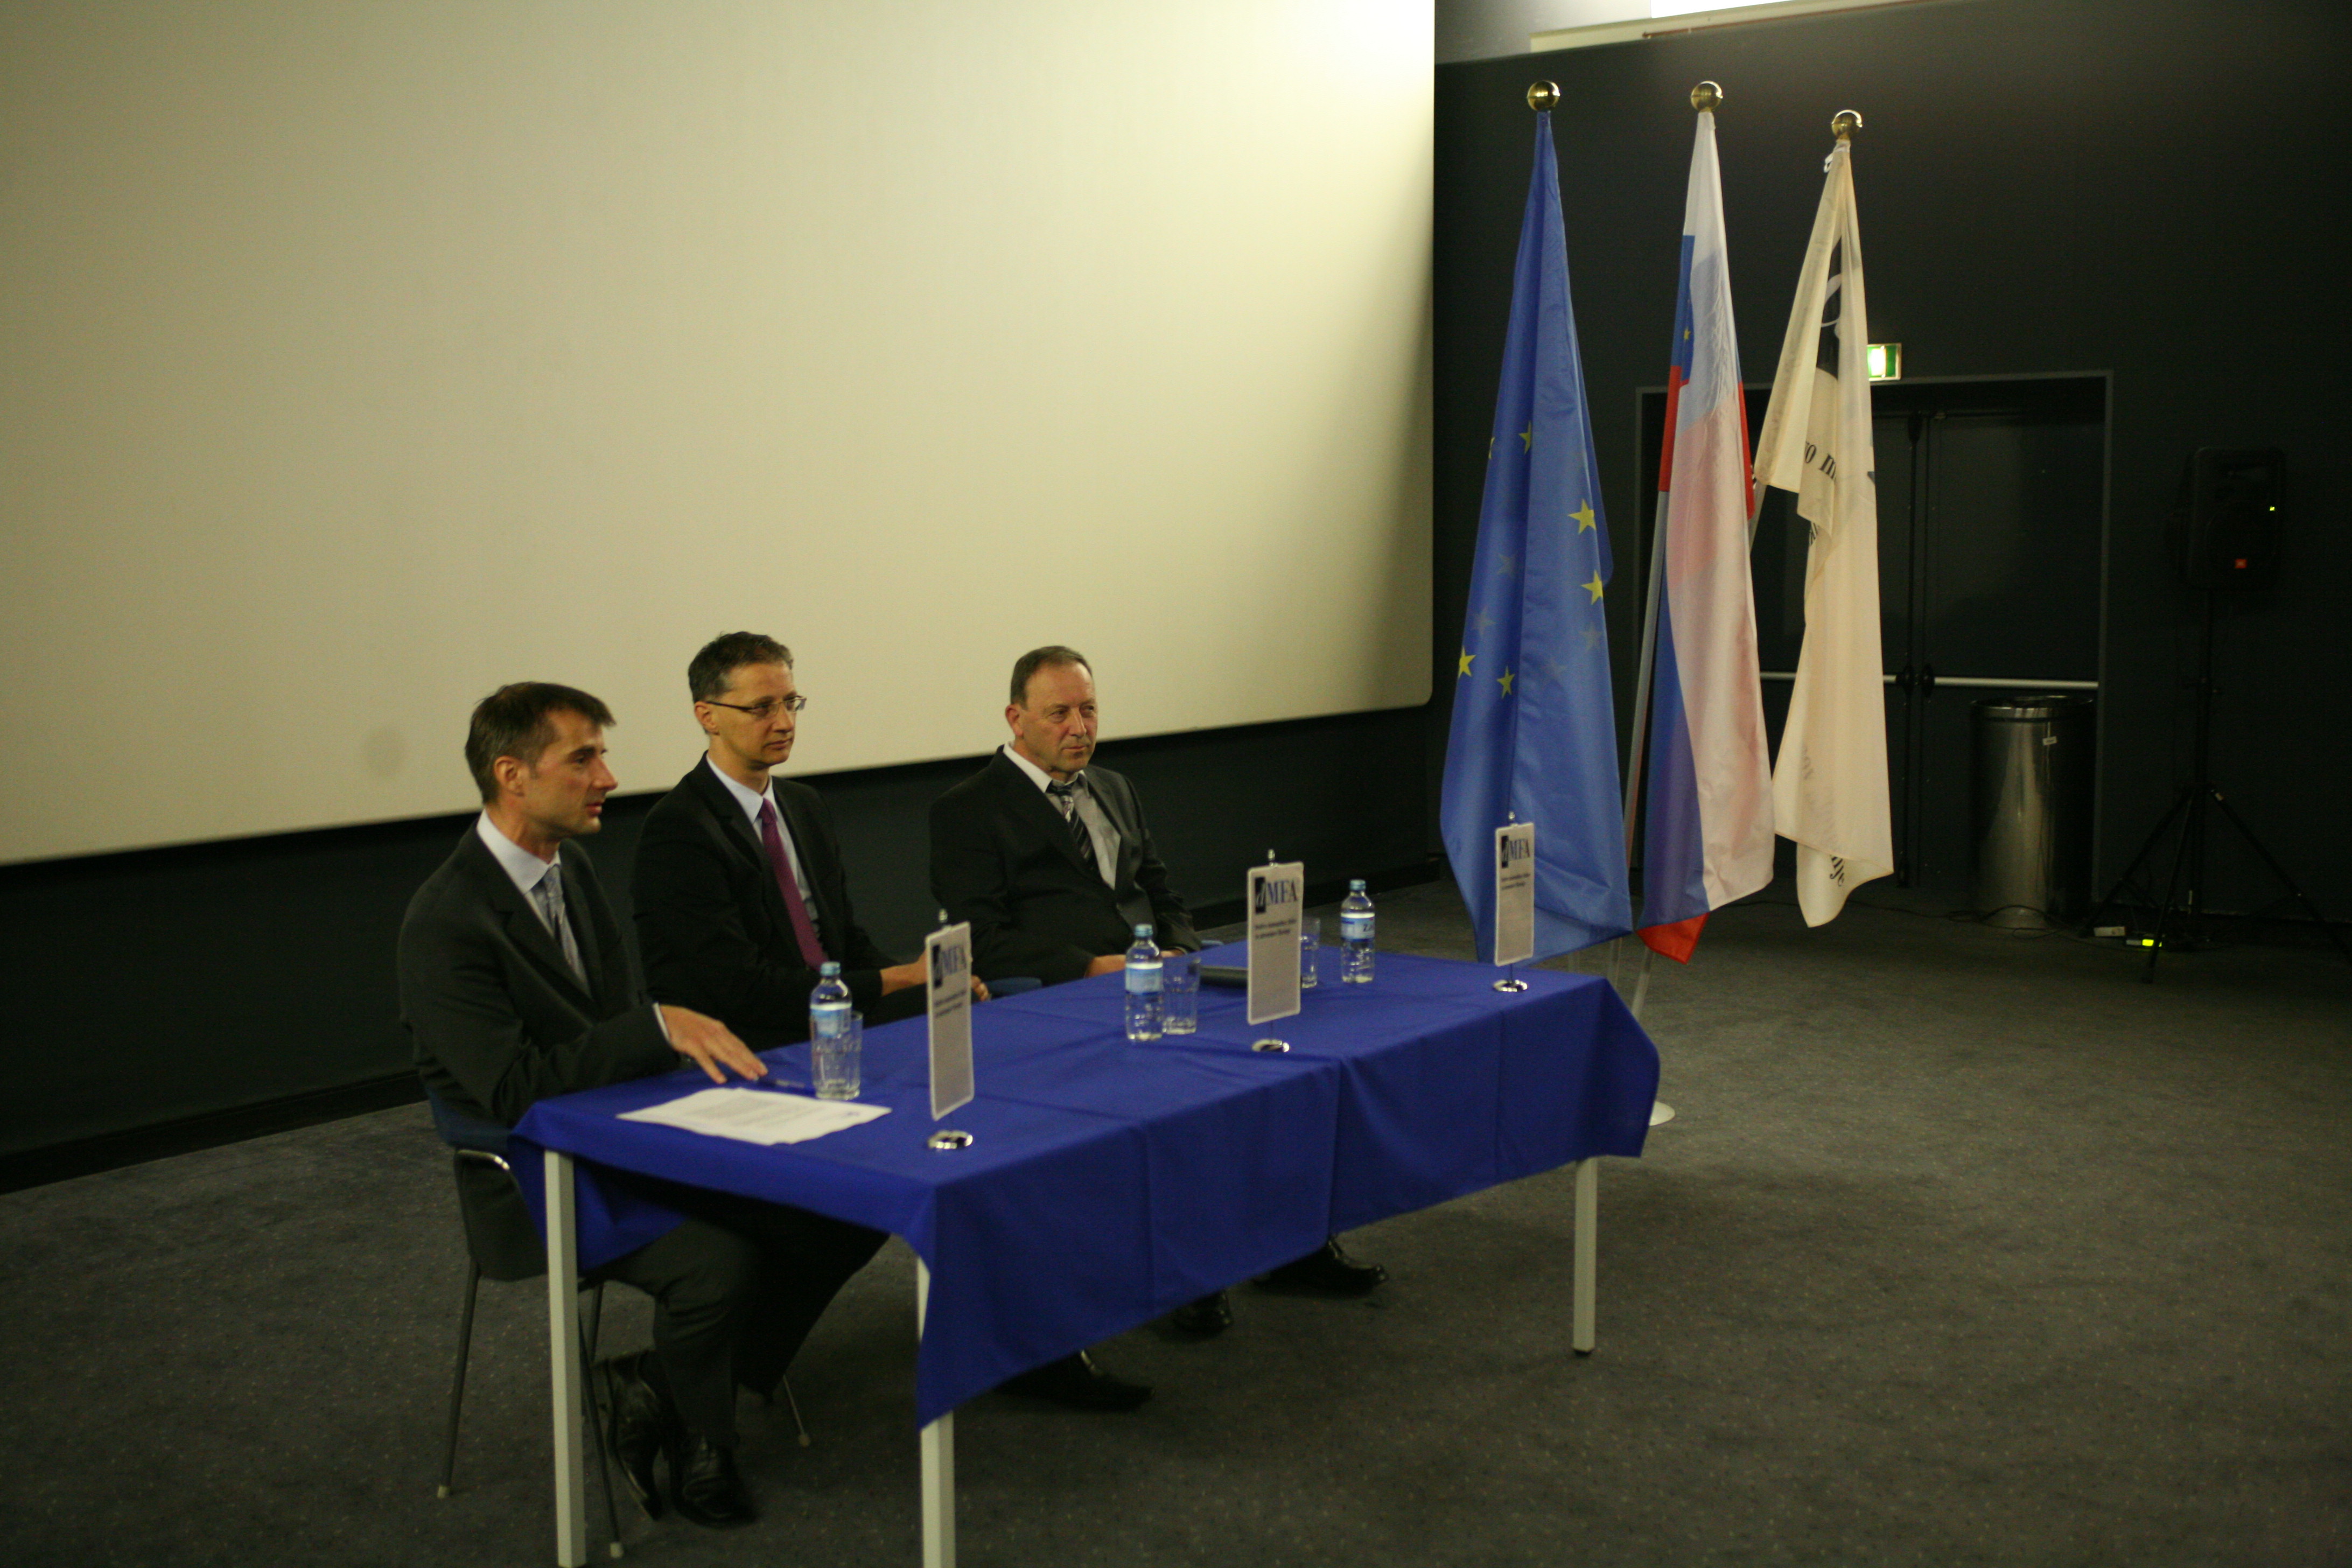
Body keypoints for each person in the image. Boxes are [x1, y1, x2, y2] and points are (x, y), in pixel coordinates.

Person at [399, 682, 885, 1530]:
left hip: (629, 1133)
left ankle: (656, 1387)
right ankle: (707, 1439)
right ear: (512, 775)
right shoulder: (447, 921)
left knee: (844, 1207)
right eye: (583, 759)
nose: (608, 778)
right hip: (534, 1171)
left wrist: (670, 1058)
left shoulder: (573, 871)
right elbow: (511, 1091)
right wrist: (657, 1029)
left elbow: (613, 1024)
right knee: (719, 1263)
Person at [929, 646, 1386, 1337]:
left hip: (1164, 975)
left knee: (1286, 1062)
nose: (1079, 727)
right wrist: (1093, 966)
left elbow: (1161, 889)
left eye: (1089, 710)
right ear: (1015, 718)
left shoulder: (1114, 787)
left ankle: (1293, 1240)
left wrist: (1180, 948)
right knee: (1178, 1103)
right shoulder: (969, 808)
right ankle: (1180, 1271)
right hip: (1067, 993)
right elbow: (979, 938)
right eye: (1059, 713)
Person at [633, 632, 976, 1044]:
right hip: (753, 1034)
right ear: (708, 716)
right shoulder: (680, 829)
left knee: (965, 1006)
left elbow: (846, 941)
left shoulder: (803, 804)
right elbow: (740, 988)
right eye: (762, 708)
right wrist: (900, 978)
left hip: (835, 1008)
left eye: (791, 703)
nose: (785, 723)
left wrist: (925, 980)